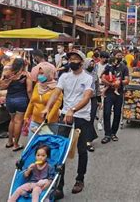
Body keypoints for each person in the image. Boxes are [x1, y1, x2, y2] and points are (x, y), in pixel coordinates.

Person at [43, 49, 93, 198]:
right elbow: (56, 93)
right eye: (70, 58)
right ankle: (59, 186)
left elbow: (86, 97)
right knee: (61, 150)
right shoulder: (64, 76)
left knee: (82, 149)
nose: (72, 61)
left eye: (75, 59)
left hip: (81, 117)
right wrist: (47, 107)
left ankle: (80, 179)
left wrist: (73, 109)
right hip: (65, 116)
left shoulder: (87, 78)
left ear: (82, 62)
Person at [0, 57, 32, 151]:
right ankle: (16, 145)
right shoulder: (26, 75)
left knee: (12, 120)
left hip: (9, 100)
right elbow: (29, 90)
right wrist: (31, 102)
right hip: (21, 100)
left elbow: (3, 86)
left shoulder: (8, 75)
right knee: (18, 122)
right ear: (23, 66)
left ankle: (10, 141)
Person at [24, 63, 62, 139]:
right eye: (39, 73)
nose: (39, 76)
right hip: (35, 120)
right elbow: (32, 102)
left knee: (48, 145)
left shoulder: (57, 88)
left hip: (51, 122)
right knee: (32, 143)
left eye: (42, 73)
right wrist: (26, 116)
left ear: (49, 74)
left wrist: (48, 119)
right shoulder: (37, 86)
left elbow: (56, 105)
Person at [101, 50, 129, 144]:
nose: (119, 57)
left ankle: (114, 133)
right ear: (114, 56)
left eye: (121, 55)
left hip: (119, 93)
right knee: (107, 112)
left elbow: (127, 80)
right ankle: (107, 134)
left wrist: (119, 82)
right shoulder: (108, 66)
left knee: (117, 113)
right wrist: (110, 83)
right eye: (118, 55)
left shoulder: (124, 67)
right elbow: (102, 77)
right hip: (108, 93)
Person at [84, 58, 99, 152]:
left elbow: (97, 87)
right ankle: (87, 140)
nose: (92, 65)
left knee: (91, 118)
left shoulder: (94, 74)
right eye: (90, 64)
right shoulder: (82, 74)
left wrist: (99, 100)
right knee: (85, 119)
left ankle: (88, 140)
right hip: (84, 99)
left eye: (93, 64)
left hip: (93, 98)